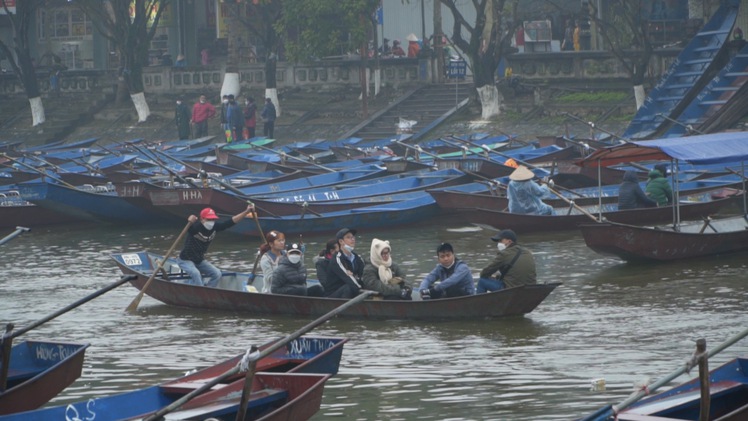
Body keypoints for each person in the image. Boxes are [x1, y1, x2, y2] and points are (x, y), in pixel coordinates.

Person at [177, 205, 254, 287]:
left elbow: (231, 222)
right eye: (208, 219)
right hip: (185, 259)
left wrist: (246, 212)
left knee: (217, 274)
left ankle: (208, 290)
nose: (211, 222)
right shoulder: (196, 227)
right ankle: (199, 292)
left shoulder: (215, 227)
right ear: (202, 219)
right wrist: (189, 220)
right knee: (196, 273)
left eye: (213, 219)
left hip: (199, 260)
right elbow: (189, 226)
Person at [323, 228, 364, 299]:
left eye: (353, 237)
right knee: (349, 287)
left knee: (356, 285)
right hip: (333, 295)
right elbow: (348, 279)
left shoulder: (357, 257)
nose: (352, 239)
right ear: (341, 241)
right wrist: (361, 290)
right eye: (348, 237)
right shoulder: (337, 259)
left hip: (352, 288)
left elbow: (363, 275)